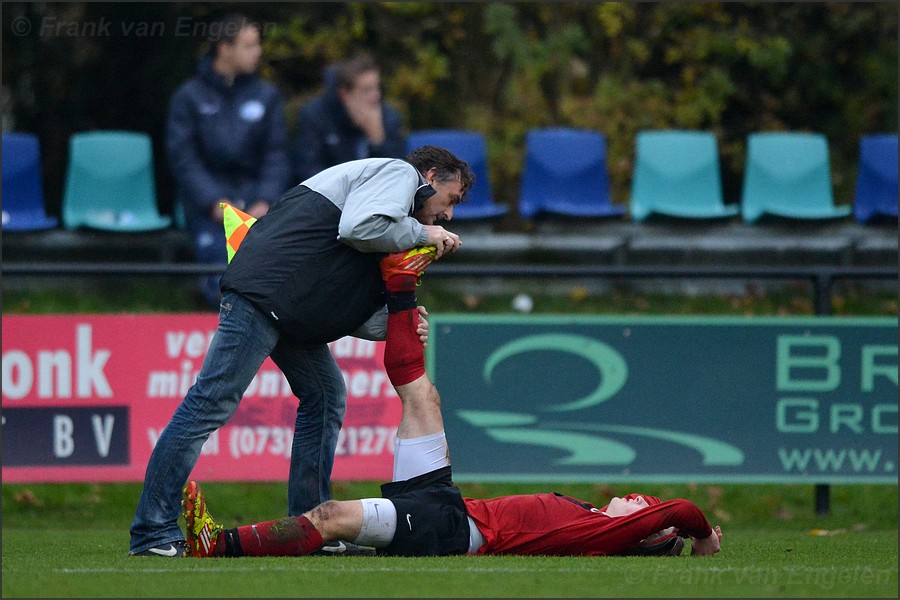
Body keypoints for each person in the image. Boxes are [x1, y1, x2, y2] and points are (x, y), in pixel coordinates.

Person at [180, 253, 724, 559]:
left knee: (331, 517)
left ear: (648, 533)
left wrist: (703, 538)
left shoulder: (605, 534)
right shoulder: (592, 519)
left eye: (639, 504)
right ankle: (401, 283)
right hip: (448, 503)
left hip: (450, 529)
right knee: (421, 393)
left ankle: (217, 546)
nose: (632, 498)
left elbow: (679, 511)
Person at [128, 145, 474, 558]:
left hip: (287, 306)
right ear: (430, 177)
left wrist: (399, 321)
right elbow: (359, 228)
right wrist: (423, 234)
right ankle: (151, 532)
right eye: (450, 200)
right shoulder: (399, 175)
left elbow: (347, 301)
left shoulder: (391, 217)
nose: (448, 216)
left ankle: (310, 528)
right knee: (209, 404)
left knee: (326, 397)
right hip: (263, 296)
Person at [166, 13, 292, 309]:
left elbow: (277, 154)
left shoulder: (267, 96)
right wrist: (213, 202)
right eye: (249, 45)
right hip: (209, 206)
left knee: (271, 270)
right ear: (224, 48)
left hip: (257, 200)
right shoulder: (189, 97)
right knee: (218, 274)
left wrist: (265, 199)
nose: (258, 52)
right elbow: (183, 158)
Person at [294, 52, 407, 181]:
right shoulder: (316, 116)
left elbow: (399, 174)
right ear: (345, 94)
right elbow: (309, 169)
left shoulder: (388, 118)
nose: (376, 96)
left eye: (377, 88)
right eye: (367, 90)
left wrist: (377, 142)